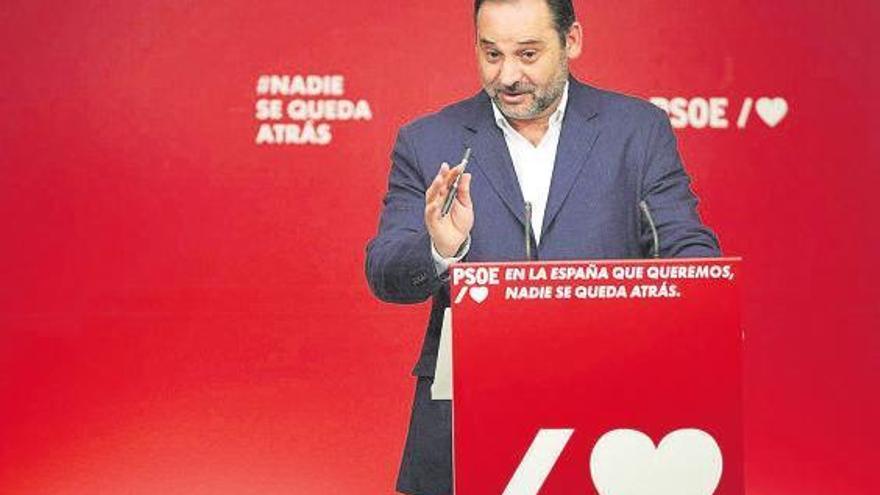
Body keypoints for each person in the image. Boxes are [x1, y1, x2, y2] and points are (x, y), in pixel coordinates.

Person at [365, 0, 720, 493]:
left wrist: (698, 310)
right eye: (492, 54)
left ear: (571, 41)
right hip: (466, 415)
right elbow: (385, 271)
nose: (508, 75)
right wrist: (441, 249)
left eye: (528, 55)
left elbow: (686, 245)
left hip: (610, 404)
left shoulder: (636, 130)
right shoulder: (427, 139)